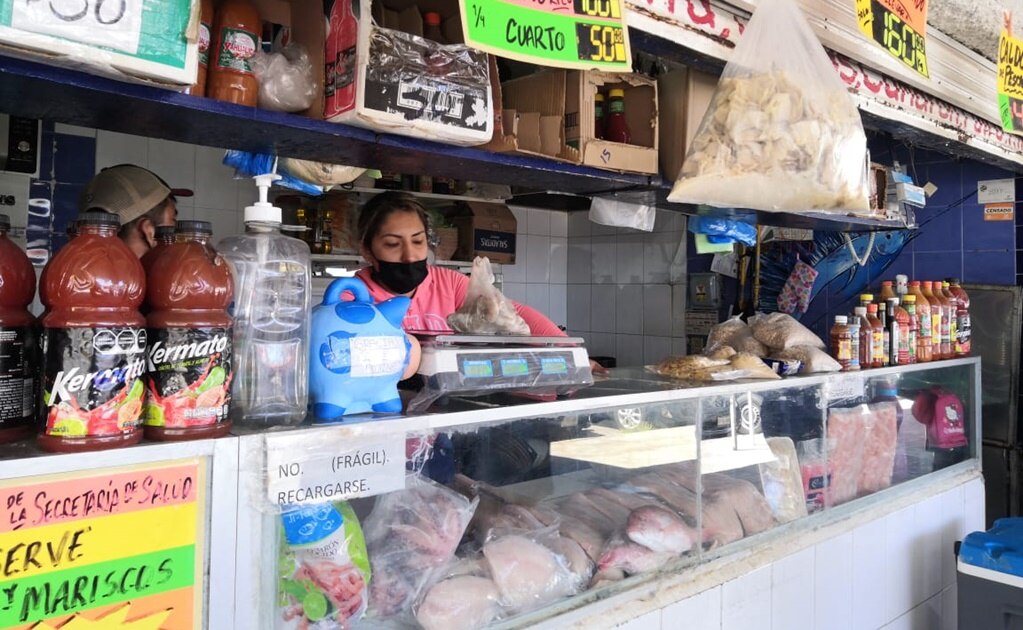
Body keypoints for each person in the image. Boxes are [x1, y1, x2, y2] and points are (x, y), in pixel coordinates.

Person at [354, 191, 607, 373]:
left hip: (441, 418)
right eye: (392, 244)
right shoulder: (352, 298)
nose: (409, 255)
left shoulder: (447, 284)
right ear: (367, 251)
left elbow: (512, 314)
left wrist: (574, 354)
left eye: (418, 241)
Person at [79, 164, 191, 257]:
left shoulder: (75, 276)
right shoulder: (167, 281)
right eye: (173, 220)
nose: (177, 235)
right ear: (149, 232)